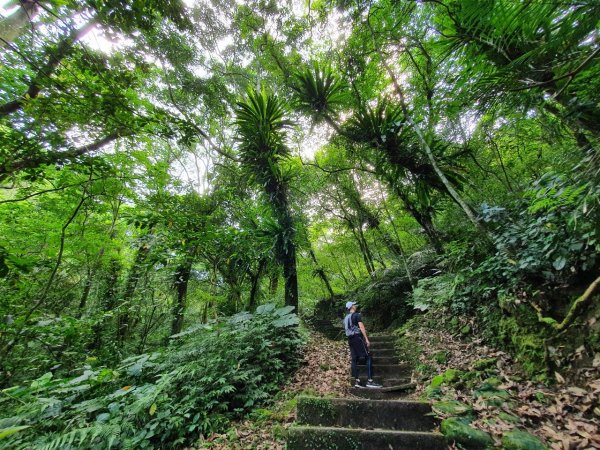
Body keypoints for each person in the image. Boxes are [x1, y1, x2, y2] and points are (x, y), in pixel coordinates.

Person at [343, 301, 382, 388]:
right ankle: (370, 381)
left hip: (350, 340)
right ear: (352, 307)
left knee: (354, 359)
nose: (355, 305)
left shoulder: (346, 318)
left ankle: (357, 382)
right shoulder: (357, 315)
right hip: (357, 338)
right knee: (368, 357)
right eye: (354, 304)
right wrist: (367, 339)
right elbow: (361, 327)